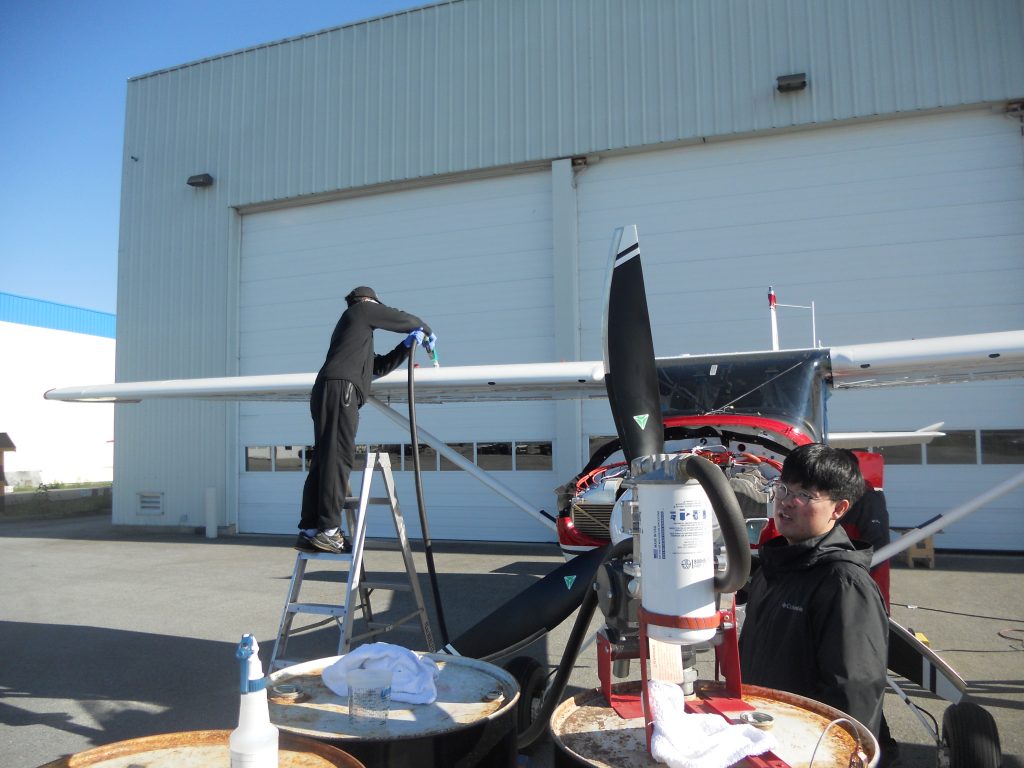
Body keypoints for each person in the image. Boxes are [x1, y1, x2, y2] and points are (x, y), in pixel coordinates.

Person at [738, 443, 889, 740]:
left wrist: (836, 751)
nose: (787, 502)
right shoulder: (775, 567)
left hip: (806, 746)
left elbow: (854, 689)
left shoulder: (844, 582)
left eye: (804, 495)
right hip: (765, 733)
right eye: (783, 489)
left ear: (839, 509)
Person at [296, 286, 435, 554]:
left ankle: (310, 529)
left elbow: (376, 368)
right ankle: (329, 530)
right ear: (370, 302)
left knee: (325, 458)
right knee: (338, 457)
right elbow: (404, 319)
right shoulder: (361, 310)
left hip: (327, 389)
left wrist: (406, 347)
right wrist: (425, 330)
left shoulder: (353, 337)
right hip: (341, 390)